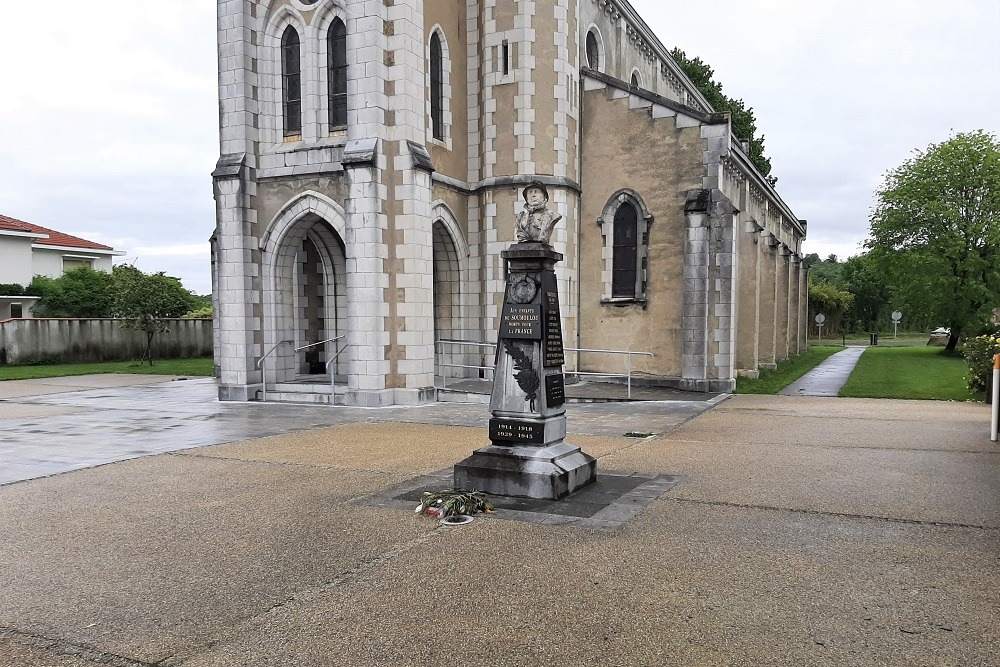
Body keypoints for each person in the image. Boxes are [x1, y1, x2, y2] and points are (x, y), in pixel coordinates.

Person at [514, 181, 562, 245]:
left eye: (537, 192)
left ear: (544, 196)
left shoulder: (552, 216)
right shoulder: (520, 217)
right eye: (530, 192)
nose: (533, 195)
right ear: (526, 198)